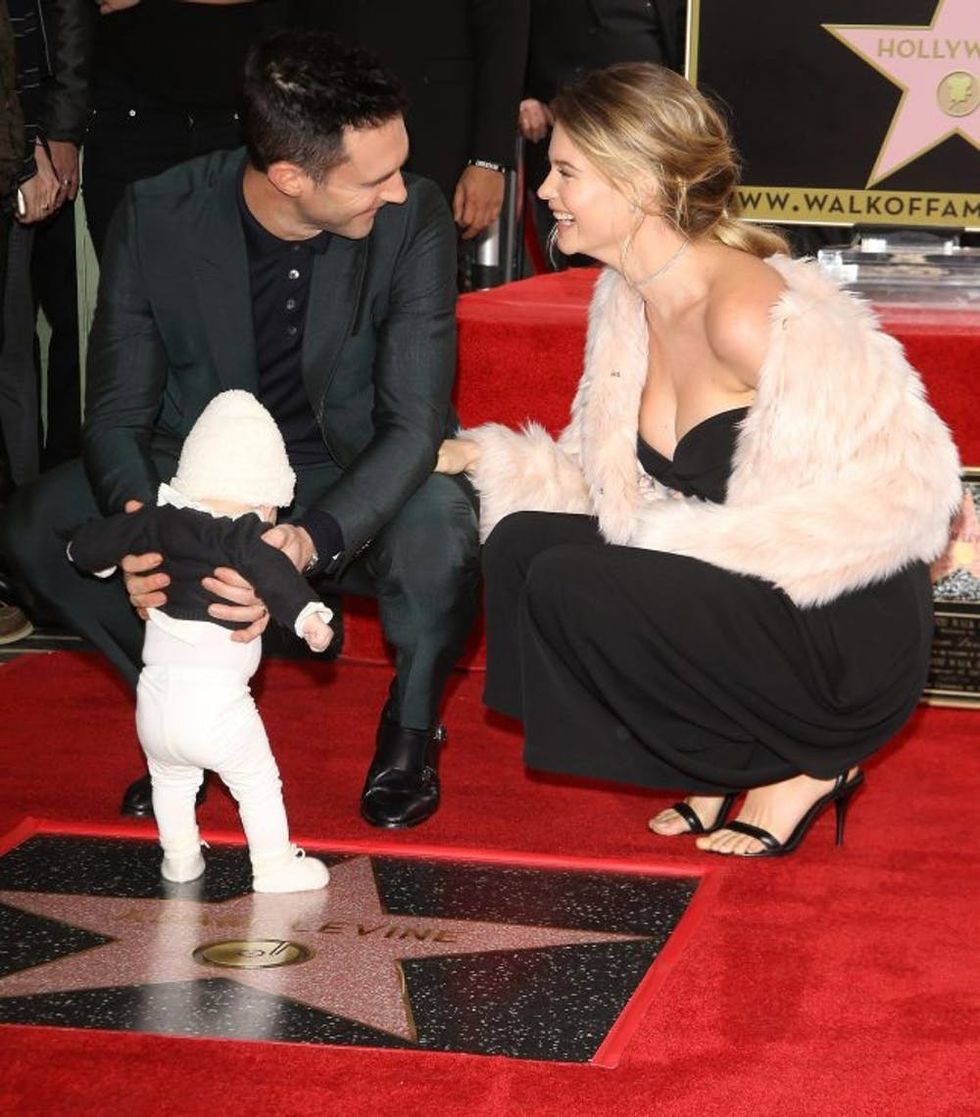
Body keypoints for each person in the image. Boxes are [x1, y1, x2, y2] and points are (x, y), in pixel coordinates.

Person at [435, 63, 961, 858]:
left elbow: (911, 488)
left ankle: (812, 761)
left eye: (567, 172)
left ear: (641, 185)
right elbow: (615, 481)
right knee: (523, 546)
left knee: (578, 578)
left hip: (840, 627)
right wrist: (487, 455)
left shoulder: (752, 313)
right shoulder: (627, 297)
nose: (544, 191)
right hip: (745, 601)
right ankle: (722, 753)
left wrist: (683, 544)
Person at [0, 29, 480, 830]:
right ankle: (184, 710)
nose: (399, 190)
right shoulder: (159, 213)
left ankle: (411, 726)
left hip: (348, 462)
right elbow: (115, 412)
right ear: (290, 176)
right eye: (375, 178)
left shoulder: (413, 218)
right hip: (201, 471)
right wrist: (146, 537)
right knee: (37, 524)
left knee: (442, 529)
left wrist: (308, 540)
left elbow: (413, 423)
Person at [70, 391, 333, 892]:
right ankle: (274, 866)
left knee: (171, 780)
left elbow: (90, 546)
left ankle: (180, 860)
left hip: (153, 704)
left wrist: (86, 554)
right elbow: (277, 575)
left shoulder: (153, 521)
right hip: (218, 706)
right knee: (257, 782)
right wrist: (309, 617)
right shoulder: (243, 537)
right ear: (265, 502)